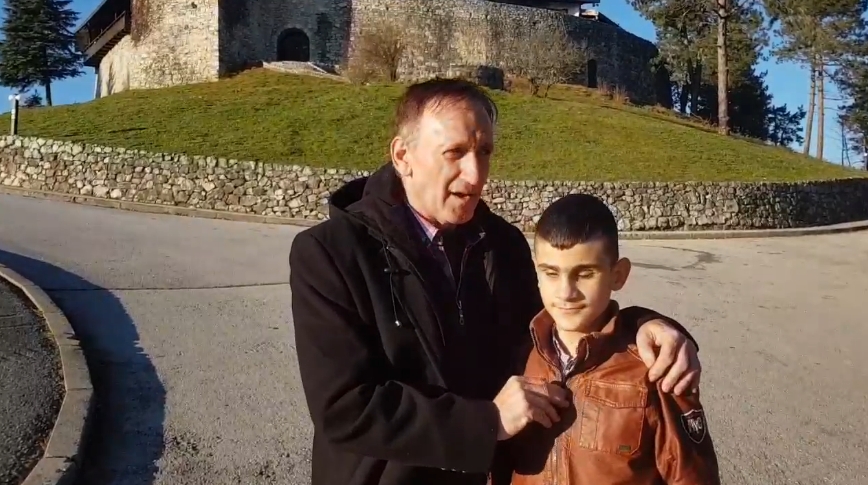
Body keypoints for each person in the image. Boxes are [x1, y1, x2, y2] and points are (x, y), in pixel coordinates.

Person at [288, 78, 703, 485]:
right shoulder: (329, 253)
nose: (475, 175)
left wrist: (641, 325)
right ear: (403, 155)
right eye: (455, 152)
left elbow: (555, 329)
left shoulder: (502, 244)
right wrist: (487, 422)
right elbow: (345, 408)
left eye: (484, 151)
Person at [504, 193, 720, 485]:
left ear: (618, 275)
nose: (566, 293)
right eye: (551, 273)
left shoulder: (654, 368)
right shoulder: (519, 358)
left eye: (585, 274)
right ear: (537, 274)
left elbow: (692, 476)